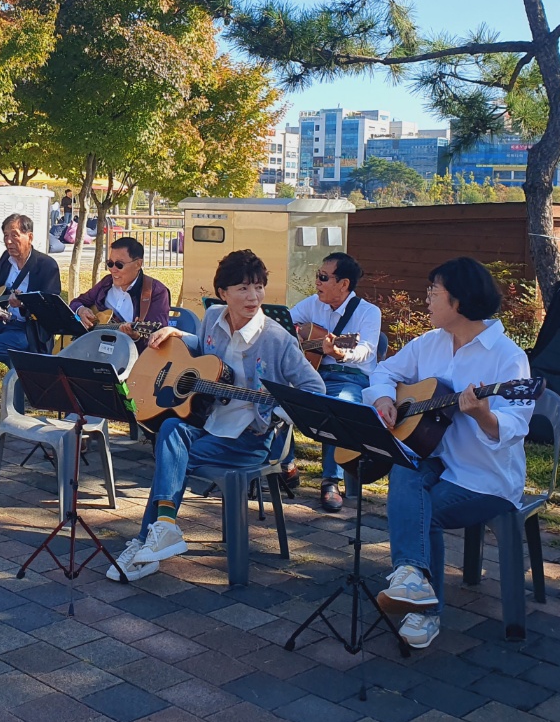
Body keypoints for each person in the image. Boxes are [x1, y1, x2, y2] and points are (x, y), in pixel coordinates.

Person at [108, 249, 325, 582]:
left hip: (251, 438)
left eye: (258, 287)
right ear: (223, 293)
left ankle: (146, 541)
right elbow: (207, 351)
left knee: (171, 460)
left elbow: (315, 390)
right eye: (242, 288)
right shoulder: (213, 318)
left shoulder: (277, 340)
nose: (253, 297)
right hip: (210, 424)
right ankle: (162, 530)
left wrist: (277, 412)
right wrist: (178, 334)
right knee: (171, 428)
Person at [365, 257, 534, 650]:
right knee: (404, 468)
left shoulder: (507, 356)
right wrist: (385, 399)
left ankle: (424, 608)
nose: (426, 300)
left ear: (458, 301)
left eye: (433, 293)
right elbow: (383, 371)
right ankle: (413, 578)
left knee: (423, 512)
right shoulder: (430, 342)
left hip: (484, 477)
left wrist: (484, 415)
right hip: (437, 462)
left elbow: (516, 425)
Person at [289, 253, 382, 512]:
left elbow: (366, 350)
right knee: (278, 395)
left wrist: (341, 353)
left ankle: (331, 480)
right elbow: (285, 322)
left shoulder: (368, 312)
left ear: (344, 284)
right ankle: (284, 466)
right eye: (317, 275)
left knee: (339, 406)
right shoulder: (313, 304)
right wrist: (297, 333)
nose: (317, 282)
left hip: (351, 377)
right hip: (314, 373)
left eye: (323, 277)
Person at [0, 213, 61, 383]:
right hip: (0, 322)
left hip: (27, 330)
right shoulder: (6, 259)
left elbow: (50, 308)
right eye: (6, 235)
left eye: (14, 235)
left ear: (30, 237)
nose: (8, 241)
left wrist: (24, 305)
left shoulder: (47, 266)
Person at [70, 236, 172, 335]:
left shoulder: (156, 292)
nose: (112, 270)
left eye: (119, 265)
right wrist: (81, 310)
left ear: (138, 264)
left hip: (128, 347)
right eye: (110, 263)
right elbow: (76, 302)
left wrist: (135, 337)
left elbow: (158, 335)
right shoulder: (107, 282)